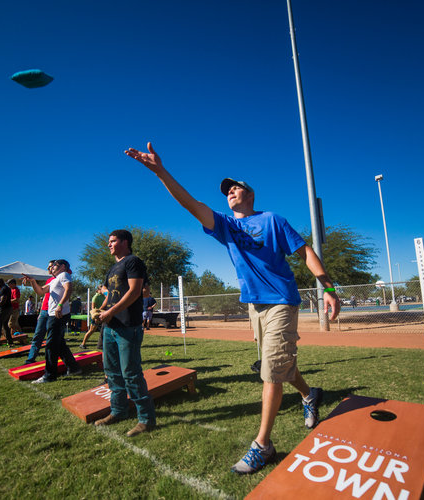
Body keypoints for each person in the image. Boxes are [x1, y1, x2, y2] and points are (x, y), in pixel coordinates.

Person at [126, 143, 339, 472]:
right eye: (227, 191)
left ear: (250, 193)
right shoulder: (226, 225)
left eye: (236, 187)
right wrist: (159, 171)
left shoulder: (273, 220)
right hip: (254, 307)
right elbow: (191, 205)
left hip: (282, 300)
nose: (230, 192)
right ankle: (309, 394)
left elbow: (305, 252)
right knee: (277, 363)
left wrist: (327, 285)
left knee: (271, 371)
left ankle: (263, 444)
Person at [93, 229, 156, 437]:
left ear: (125, 242)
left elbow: (135, 292)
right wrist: (101, 310)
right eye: (109, 241)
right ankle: (118, 411)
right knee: (112, 373)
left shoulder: (133, 262)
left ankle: (146, 419)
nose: (109, 245)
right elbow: (111, 295)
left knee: (131, 373)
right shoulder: (112, 268)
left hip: (128, 326)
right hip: (110, 326)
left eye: (113, 241)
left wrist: (110, 312)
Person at [23, 259, 82, 383]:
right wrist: (33, 281)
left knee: (50, 344)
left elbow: (68, 289)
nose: (52, 267)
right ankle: (74, 368)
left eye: (55, 265)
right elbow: (40, 291)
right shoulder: (54, 280)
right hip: (52, 314)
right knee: (59, 344)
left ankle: (49, 375)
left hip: (58, 315)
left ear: (63, 266)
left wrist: (60, 305)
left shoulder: (64, 275)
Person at [25, 261, 55, 364]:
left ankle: (57, 360)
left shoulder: (62, 278)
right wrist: (32, 281)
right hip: (44, 311)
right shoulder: (49, 280)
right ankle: (30, 359)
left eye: (51, 266)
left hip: (54, 312)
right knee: (37, 335)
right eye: (48, 267)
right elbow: (42, 294)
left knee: (54, 339)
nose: (48, 268)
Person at [81, 284, 107, 349]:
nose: (103, 290)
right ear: (98, 290)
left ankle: (103, 345)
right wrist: (95, 317)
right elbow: (93, 308)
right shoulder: (95, 297)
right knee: (92, 330)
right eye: (101, 289)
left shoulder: (104, 296)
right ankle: (83, 343)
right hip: (96, 316)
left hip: (103, 315)